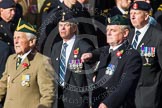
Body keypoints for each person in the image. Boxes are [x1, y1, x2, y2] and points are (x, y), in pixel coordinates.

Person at [81, 15, 142, 108]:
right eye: (107, 30)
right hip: (98, 103)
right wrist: (91, 55)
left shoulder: (132, 56)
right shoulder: (106, 51)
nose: (108, 33)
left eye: (113, 30)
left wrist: (108, 103)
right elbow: (100, 51)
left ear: (125, 33)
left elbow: (125, 86)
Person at [0, 18, 55, 108]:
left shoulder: (41, 61)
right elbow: (3, 84)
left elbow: (48, 93)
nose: (15, 41)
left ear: (31, 42)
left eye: (19, 38)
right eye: (14, 38)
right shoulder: (11, 59)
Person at [51, 12, 95, 108]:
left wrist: (91, 101)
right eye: (60, 25)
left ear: (74, 28)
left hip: (77, 101)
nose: (62, 28)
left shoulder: (84, 47)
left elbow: (89, 77)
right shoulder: (56, 47)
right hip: (57, 101)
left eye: (66, 25)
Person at [128, 1, 162, 108]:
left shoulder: (158, 37)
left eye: (136, 13)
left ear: (146, 15)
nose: (132, 16)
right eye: (131, 13)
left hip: (148, 94)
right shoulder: (129, 35)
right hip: (128, 93)